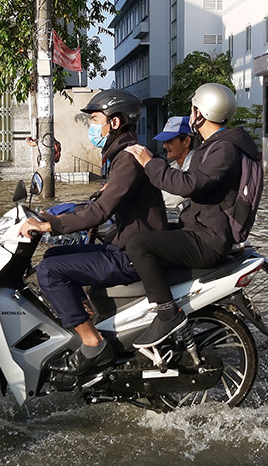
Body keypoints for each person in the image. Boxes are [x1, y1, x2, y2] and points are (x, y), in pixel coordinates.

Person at [18, 90, 168, 376]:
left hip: (133, 254)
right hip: (125, 243)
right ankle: (86, 318)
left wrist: (51, 226)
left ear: (114, 122)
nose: (91, 127)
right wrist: (51, 215)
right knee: (53, 255)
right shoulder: (119, 155)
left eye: (95, 119)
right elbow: (98, 202)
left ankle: (93, 344)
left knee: (49, 271)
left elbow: (101, 212)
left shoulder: (128, 158)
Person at [124, 83, 262, 347]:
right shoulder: (214, 145)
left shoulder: (223, 150)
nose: (191, 114)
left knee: (137, 243)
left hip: (208, 238)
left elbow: (189, 185)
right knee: (145, 232)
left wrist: (150, 163)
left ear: (201, 112)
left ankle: (167, 314)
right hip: (199, 228)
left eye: (193, 108)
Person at [154, 116, 197, 214]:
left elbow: (171, 197)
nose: (164, 146)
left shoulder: (196, 165)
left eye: (169, 140)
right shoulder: (174, 165)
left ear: (186, 141)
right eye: (164, 141)